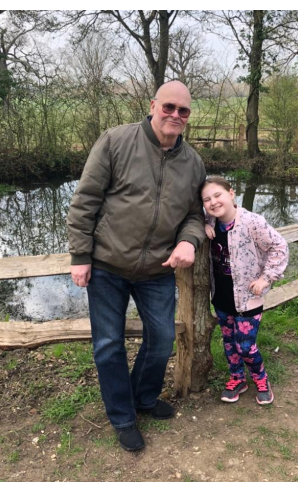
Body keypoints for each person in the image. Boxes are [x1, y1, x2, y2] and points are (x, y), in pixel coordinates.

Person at [67, 81, 206, 452]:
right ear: (153, 105)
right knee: (109, 346)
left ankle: (143, 398)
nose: (175, 115)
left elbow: (195, 216)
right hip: (107, 266)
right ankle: (122, 416)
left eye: (184, 111)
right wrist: (80, 256)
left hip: (158, 270)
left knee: (161, 340)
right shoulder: (115, 141)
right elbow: (85, 201)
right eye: (169, 107)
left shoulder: (193, 162)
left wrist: (188, 241)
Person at [201, 177, 289, 405]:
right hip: (221, 296)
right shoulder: (210, 220)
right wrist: (204, 225)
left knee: (246, 346)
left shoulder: (252, 222)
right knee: (229, 342)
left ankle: (261, 379)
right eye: (207, 200)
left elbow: (279, 246)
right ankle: (237, 378)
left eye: (217, 195)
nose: (213, 202)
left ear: (231, 193)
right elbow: (192, 220)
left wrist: (266, 277)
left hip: (248, 298)